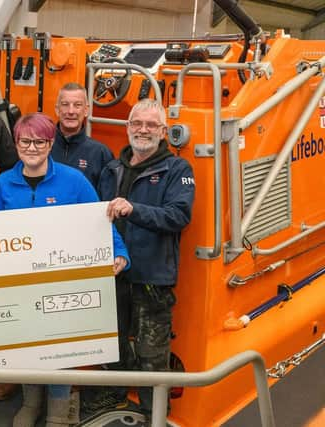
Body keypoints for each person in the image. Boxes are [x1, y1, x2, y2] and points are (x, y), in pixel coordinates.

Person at [0, 113, 129, 427]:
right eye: (25, 141)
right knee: (26, 343)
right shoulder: (3, 184)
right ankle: (31, 402)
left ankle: (58, 407)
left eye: (40, 141)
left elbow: (100, 221)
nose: (32, 147)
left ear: (50, 144)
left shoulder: (74, 181)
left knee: (61, 346)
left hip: (63, 281)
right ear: (16, 144)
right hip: (22, 283)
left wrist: (119, 251)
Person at [95, 98, 195, 419]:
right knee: (113, 346)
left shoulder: (177, 169)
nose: (143, 130)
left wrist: (134, 209)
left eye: (151, 125)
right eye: (137, 123)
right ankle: (114, 403)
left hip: (152, 279)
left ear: (163, 131)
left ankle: (155, 417)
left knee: (153, 356)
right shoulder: (111, 168)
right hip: (114, 275)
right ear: (127, 127)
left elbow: (178, 215)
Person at [51, 82, 113, 188]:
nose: (71, 111)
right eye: (65, 104)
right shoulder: (41, 147)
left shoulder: (100, 153)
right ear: (57, 110)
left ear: (86, 110)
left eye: (77, 105)